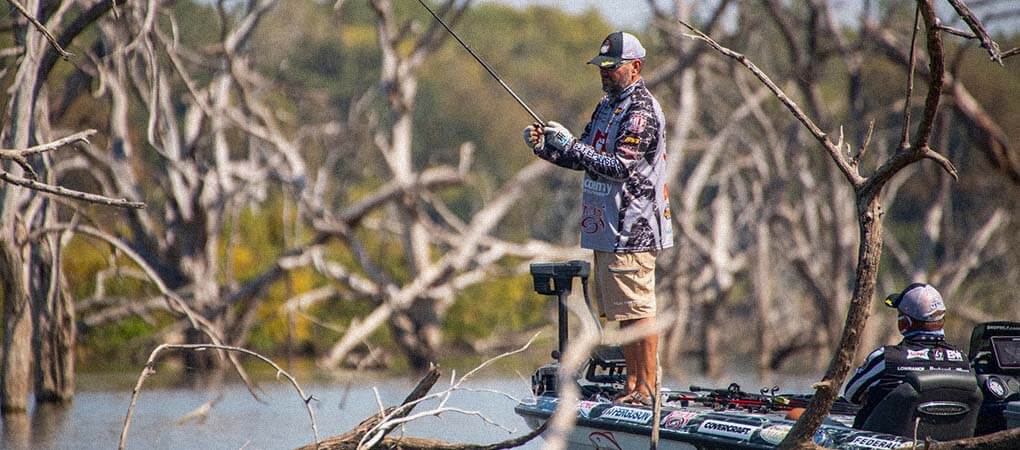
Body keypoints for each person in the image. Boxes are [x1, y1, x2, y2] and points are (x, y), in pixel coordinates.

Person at [523, 31, 674, 406]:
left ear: (635, 68)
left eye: (612, 67)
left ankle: (648, 389)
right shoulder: (607, 106)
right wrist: (548, 149)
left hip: (632, 229)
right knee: (623, 315)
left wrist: (572, 143)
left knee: (640, 312)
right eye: (601, 67)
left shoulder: (640, 111)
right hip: (606, 229)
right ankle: (632, 387)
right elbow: (584, 159)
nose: (604, 73)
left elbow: (619, 167)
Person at [844, 283, 971, 428]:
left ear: (905, 323)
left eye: (900, 315)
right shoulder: (963, 361)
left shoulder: (885, 359)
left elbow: (851, 395)